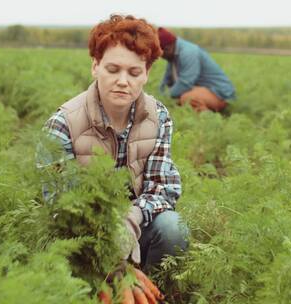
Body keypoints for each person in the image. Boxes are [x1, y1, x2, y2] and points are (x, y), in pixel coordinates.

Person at [38, 14, 188, 303]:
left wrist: (131, 219)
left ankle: (148, 287)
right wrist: (113, 261)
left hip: (135, 227)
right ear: (95, 66)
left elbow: (163, 188)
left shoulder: (159, 118)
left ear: (147, 73)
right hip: (81, 238)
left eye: (134, 72)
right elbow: (60, 206)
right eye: (113, 69)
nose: (123, 81)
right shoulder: (62, 124)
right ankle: (107, 287)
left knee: (173, 228)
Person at [158, 27, 236, 112]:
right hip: (203, 89)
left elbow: (185, 83)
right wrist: (158, 97)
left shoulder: (188, 52)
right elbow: (166, 82)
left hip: (220, 94)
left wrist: (164, 99)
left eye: (160, 54)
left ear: (167, 48)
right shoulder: (173, 55)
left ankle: (209, 117)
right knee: (177, 98)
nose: (161, 57)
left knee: (186, 98)